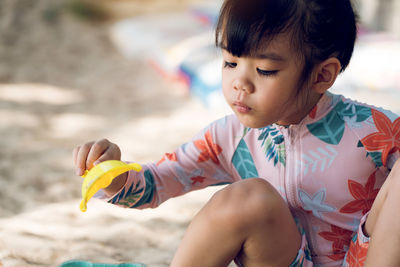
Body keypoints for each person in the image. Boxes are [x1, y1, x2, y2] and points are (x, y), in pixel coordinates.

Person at [73, 0, 400, 266]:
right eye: (230, 62)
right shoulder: (229, 138)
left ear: (321, 75)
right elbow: (156, 183)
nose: (239, 83)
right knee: (248, 197)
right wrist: (111, 175)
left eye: (265, 70)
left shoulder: (371, 132)